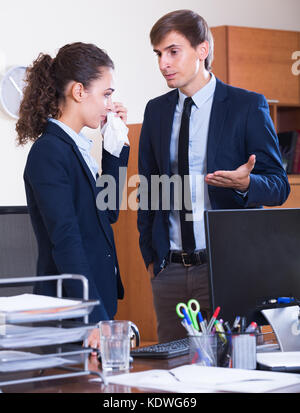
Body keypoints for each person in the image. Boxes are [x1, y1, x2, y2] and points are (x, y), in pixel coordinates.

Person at [137, 10, 290, 343]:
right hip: (170, 271)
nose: (163, 63)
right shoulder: (156, 111)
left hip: (228, 267)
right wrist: (152, 258)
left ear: (202, 50)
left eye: (173, 51)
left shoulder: (247, 106)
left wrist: (246, 183)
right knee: (173, 371)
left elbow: (279, 187)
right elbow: (148, 187)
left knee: (236, 367)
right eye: (158, 54)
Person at [16, 42, 129, 352]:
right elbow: (66, 240)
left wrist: (115, 151)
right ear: (80, 91)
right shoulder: (49, 152)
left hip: (92, 303)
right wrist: (95, 318)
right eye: (106, 94)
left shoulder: (76, 147)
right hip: (72, 311)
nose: (110, 103)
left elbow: (109, 213)